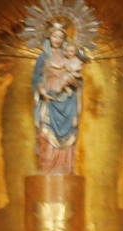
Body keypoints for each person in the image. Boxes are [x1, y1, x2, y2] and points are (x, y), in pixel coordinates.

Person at [33, 22, 84, 174]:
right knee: (46, 135)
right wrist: (42, 90)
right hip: (50, 101)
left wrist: (73, 82)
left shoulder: (69, 55)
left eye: (61, 37)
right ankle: (47, 172)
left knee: (68, 140)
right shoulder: (43, 57)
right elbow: (36, 79)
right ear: (49, 36)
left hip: (68, 103)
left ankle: (65, 172)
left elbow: (78, 80)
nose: (57, 39)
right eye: (55, 36)